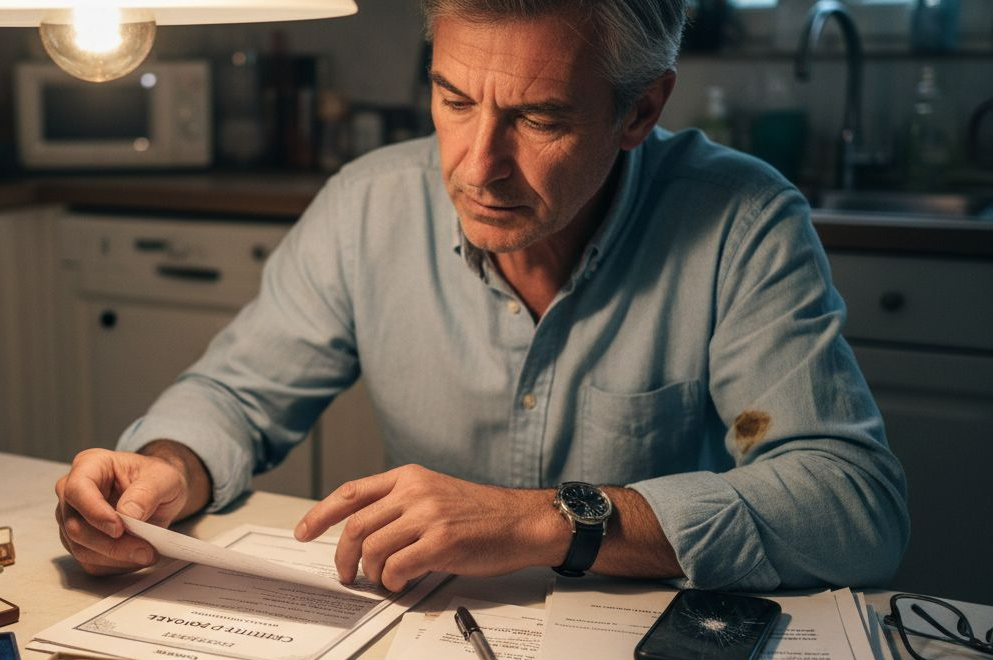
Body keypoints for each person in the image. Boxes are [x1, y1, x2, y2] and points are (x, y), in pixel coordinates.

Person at [54, 0, 907, 594]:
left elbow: (851, 504)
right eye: (454, 100)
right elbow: (238, 395)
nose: (474, 165)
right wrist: (163, 470)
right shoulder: (368, 203)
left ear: (641, 108)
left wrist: (549, 522)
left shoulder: (739, 220)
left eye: (538, 119)